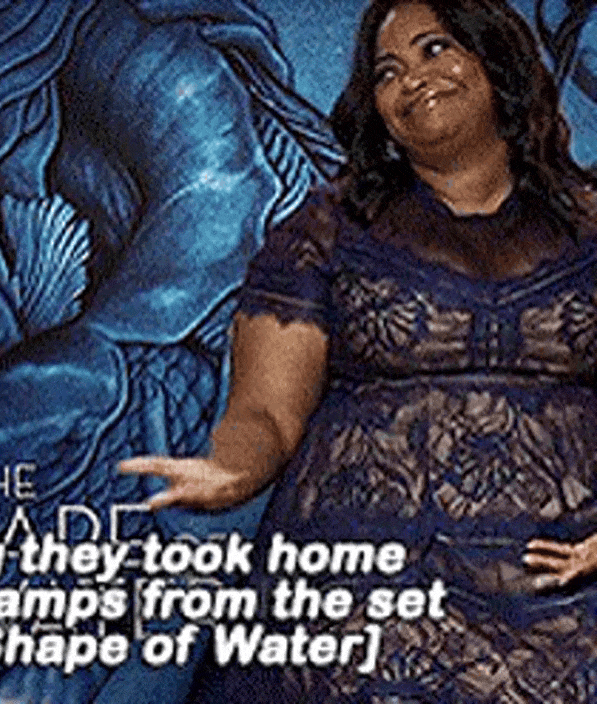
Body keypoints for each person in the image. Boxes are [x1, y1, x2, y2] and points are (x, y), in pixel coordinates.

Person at [122, 0, 597, 701]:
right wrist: (230, 469)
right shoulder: (329, 227)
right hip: (367, 587)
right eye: (387, 71)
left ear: (496, 61)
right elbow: (267, 412)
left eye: (435, 49)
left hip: (569, 593)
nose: (412, 79)